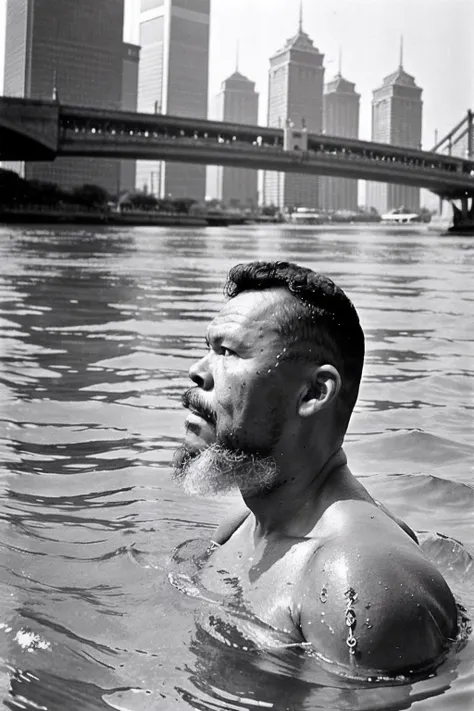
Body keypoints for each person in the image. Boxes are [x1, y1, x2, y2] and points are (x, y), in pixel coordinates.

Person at [173, 260, 458, 678]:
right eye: (208, 348)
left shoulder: (357, 579)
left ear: (313, 392)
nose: (197, 371)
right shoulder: (242, 524)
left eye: (228, 352)